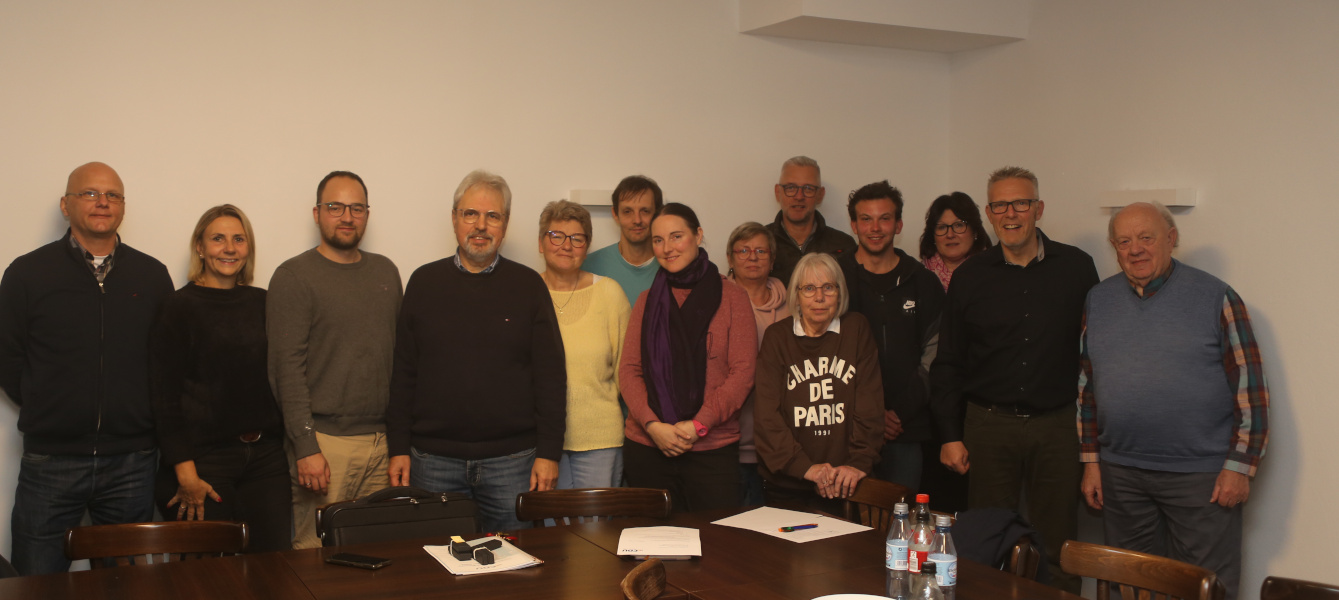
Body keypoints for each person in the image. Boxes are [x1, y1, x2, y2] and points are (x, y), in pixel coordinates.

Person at [1078, 202, 1268, 600]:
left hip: (1200, 477)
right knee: (1129, 585)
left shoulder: (1216, 297)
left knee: (1206, 586)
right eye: (1124, 241)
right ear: (1114, 247)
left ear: (1171, 238)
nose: (1135, 249)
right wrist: (1091, 461)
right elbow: (1087, 387)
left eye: (1146, 238)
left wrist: (1240, 466)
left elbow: (1250, 389)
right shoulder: (1098, 299)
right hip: (1121, 473)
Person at [929, 166, 1098, 593]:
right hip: (989, 425)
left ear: (1038, 208)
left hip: (1057, 425)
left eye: (1020, 203)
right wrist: (949, 435)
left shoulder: (1077, 268)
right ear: (988, 214)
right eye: (1000, 205)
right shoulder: (970, 276)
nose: (1010, 213)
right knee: (987, 541)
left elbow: (1095, 352)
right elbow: (949, 361)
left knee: (1059, 547)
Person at [0, 162, 173, 574]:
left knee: (127, 588)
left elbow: (166, 361)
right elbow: (7, 356)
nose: (102, 202)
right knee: (35, 584)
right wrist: (48, 404)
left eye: (113, 195)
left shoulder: (152, 275)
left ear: (123, 207)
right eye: (90, 193)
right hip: (51, 461)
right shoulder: (27, 273)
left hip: (132, 462)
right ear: (66, 205)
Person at [387, 170, 566, 532]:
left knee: (515, 562)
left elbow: (550, 377)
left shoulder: (528, 286)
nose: (480, 225)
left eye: (492, 216)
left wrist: (549, 453)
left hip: (512, 462)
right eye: (471, 214)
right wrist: (399, 447)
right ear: (454, 218)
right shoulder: (423, 283)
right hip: (433, 461)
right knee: (436, 560)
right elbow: (404, 373)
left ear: (506, 224)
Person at [268, 171, 403, 549]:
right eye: (335, 207)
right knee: (315, 559)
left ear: (367, 214)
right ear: (317, 213)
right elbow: (286, 370)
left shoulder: (386, 272)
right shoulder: (294, 276)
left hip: (382, 444)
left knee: (378, 555)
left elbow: (400, 360)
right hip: (325, 446)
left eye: (356, 208)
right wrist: (306, 447)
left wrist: (399, 444)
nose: (347, 217)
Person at [150, 205, 289, 552]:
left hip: (266, 459)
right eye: (218, 239)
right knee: (210, 572)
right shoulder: (178, 307)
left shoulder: (265, 302)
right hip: (204, 462)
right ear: (200, 247)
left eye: (239, 239)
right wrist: (186, 474)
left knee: (273, 566)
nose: (229, 248)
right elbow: (164, 398)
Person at [619, 203, 756, 512]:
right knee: (650, 539)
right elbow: (629, 370)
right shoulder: (646, 301)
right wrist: (653, 425)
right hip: (649, 447)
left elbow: (743, 373)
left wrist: (698, 425)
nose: (667, 248)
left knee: (716, 539)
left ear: (698, 235)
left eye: (676, 236)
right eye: (658, 240)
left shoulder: (733, 298)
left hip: (712, 450)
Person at [754, 253, 884, 513]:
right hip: (787, 483)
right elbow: (767, 415)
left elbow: (870, 404)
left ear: (840, 292)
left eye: (828, 287)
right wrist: (805, 468)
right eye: (809, 289)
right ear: (796, 296)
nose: (819, 297)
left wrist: (857, 463)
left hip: (847, 481)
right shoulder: (777, 337)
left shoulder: (856, 329)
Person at [837, 181, 945, 492]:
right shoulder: (833, 278)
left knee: (901, 517)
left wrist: (899, 413)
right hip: (847, 430)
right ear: (854, 225)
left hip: (906, 428)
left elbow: (936, 354)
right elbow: (821, 352)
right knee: (845, 520)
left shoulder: (923, 282)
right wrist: (871, 415)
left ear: (898, 225)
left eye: (884, 218)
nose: (875, 228)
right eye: (866, 219)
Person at [537, 200, 631, 489]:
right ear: (540, 243)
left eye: (577, 238)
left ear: (587, 246)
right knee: (547, 520)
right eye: (556, 236)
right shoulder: (524, 293)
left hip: (600, 442)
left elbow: (628, 373)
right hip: (538, 446)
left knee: (596, 520)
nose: (566, 245)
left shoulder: (610, 294)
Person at [724, 222, 788, 506]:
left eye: (761, 251)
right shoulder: (716, 301)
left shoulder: (793, 306)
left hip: (778, 442)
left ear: (772, 260)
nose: (752, 257)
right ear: (730, 258)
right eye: (744, 250)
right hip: (729, 441)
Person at [765, 156, 857, 286]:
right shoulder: (759, 245)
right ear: (777, 192)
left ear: (820, 194)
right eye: (791, 188)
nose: (799, 196)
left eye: (808, 188)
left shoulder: (843, 245)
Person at [583, 175, 664, 308]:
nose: (637, 220)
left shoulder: (671, 266)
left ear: (657, 214)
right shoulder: (589, 267)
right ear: (615, 214)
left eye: (645, 211)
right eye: (627, 211)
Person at [918, 192, 993, 292]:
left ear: (975, 231)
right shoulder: (918, 277)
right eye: (942, 227)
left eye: (958, 225)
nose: (950, 235)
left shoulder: (993, 274)